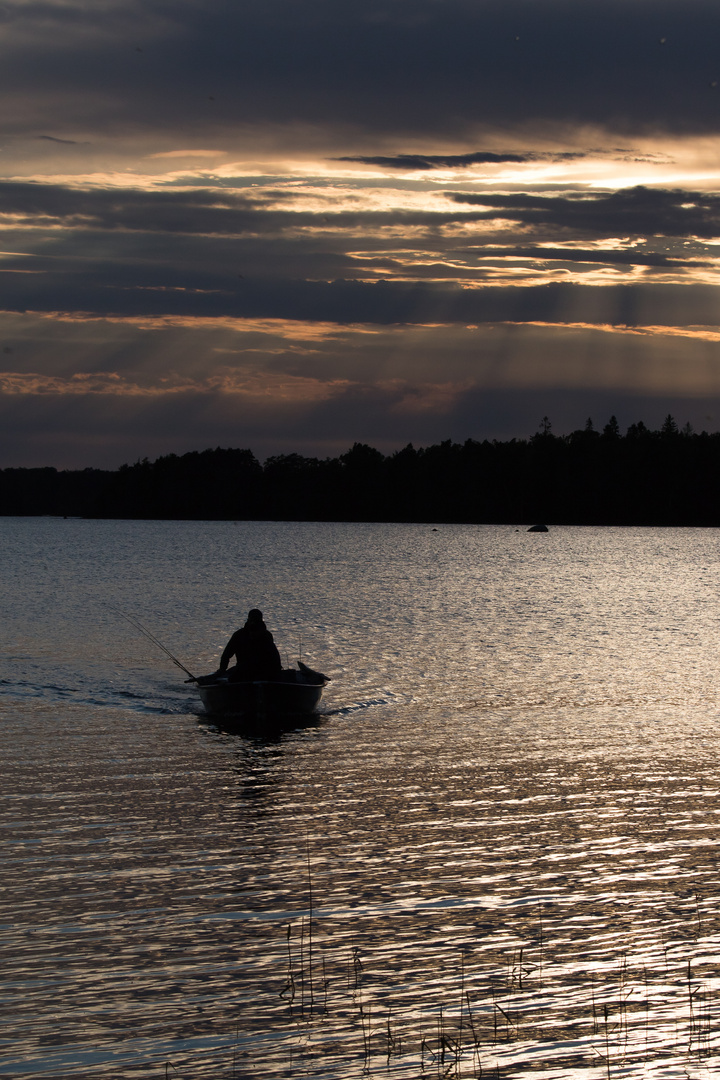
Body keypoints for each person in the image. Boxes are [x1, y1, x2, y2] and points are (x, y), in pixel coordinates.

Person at [217, 608, 282, 682]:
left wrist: (222, 670)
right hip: (245, 671)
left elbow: (274, 657)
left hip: (261, 671)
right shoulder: (239, 635)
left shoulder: (266, 635)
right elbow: (226, 655)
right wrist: (222, 669)